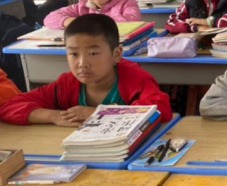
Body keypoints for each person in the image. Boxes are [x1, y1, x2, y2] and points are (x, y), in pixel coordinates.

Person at [0, 14, 172, 126]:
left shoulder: (135, 79)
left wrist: (101, 114)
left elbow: (161, 109)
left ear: (116, 54)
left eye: (93, 53)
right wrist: (54, 116)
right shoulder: (66, 84)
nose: (82, 63)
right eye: (73, 54)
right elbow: (10, 106)